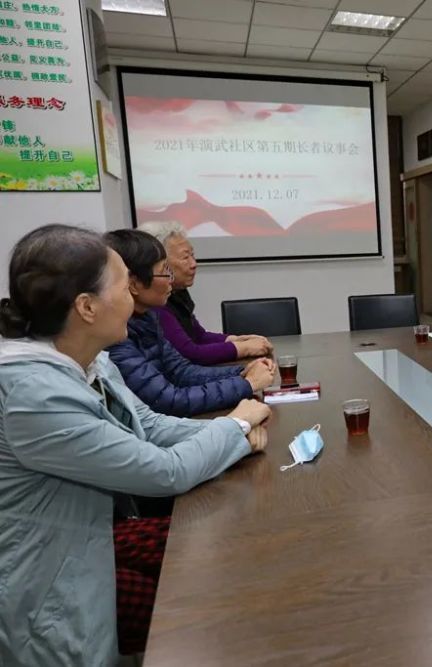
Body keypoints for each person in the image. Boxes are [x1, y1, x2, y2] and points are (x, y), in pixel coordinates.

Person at [0, 224, 270, 666]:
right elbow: (163, 472)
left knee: (222, 557)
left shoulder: (91, 361)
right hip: (49, 583)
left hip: (90, 543)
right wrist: (235, 428)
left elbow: (149, 425)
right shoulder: (34, 394)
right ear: (86, 307)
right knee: (203, 602)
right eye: (125, 286)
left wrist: (230, 433)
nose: (136, 299)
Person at [104, 230, 276, 417]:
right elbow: (170, 401)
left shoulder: (147, 317)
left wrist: (242, 372)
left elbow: (182, 371)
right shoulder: (115, 335)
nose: (170, 280)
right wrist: (247, 384)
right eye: (164, 272)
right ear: (134, 284)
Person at [138, 221, 273, 365]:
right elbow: (190, 353)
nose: (193, 264)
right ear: (159, 263)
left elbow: (198, 336)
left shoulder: (178, 293)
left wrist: (234, 339)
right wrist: (243, 348)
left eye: (192, 255)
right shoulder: (154, 301)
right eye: (185, 257)